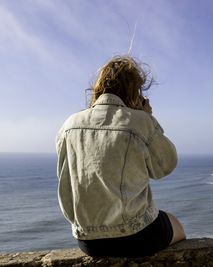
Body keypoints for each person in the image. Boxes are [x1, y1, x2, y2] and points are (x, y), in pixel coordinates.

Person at [55, 55, 186, 258]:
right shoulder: (139, 121)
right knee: (177, 225)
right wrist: (148, 117)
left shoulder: (69, 125)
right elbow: (166, 165)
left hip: (88, 242)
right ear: (134, 90)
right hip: (136, 235)